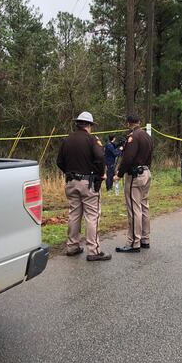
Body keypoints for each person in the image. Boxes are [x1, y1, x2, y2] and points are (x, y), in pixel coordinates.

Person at [56, 112, 112, 261]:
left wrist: (69, 172)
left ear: (78, 124)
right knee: (92, 216)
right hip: (88, 183)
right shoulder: (92, 139)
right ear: (89, 125)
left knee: (74, 214)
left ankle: (72, 246)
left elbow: (59, 161)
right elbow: (100, 157)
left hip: (70, 182)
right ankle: (94, 251)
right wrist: (100, 174)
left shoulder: (66, 140)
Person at [114, 115, 153, 253]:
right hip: (146, 173)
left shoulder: (133, 137)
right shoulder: (147, 136)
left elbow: (128, 158)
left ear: (128, 123)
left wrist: (119, 174)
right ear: (140, 122)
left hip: (135, 175)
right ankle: (145, 239)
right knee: (144, 206)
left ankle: (133, 242)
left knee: (134, 208)